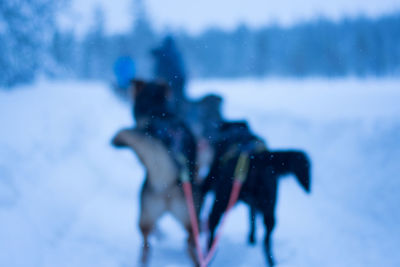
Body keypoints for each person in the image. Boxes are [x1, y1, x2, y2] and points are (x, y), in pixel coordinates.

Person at [151, 36, 187, 107]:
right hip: (179, 79)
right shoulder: (175, 53)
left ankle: (174, 112)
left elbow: (161, 66)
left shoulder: (164, 53)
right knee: (179, 98)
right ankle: (179, 110)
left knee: (170, 99)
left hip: (171, 80)